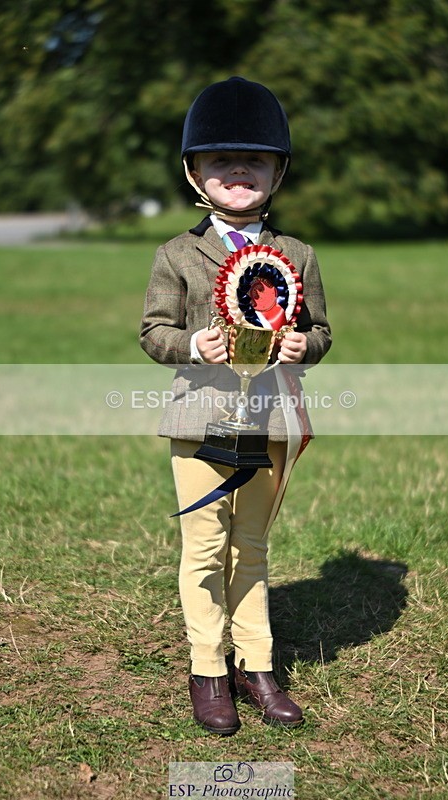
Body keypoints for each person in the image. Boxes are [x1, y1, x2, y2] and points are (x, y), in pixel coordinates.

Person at [140, 77, 331, 735]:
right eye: (221, 160)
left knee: (251, 547)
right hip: (200, 421)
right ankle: (207, 669)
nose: (238, 171)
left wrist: (305, 344)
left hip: (271, 421)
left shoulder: (297, 255)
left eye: (254, 160)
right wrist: (195, 342)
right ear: (195, 172)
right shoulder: (176, 255)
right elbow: (152, 334)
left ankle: (256, 665)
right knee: (202, 548)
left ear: (277, 173)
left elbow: (322, 332)